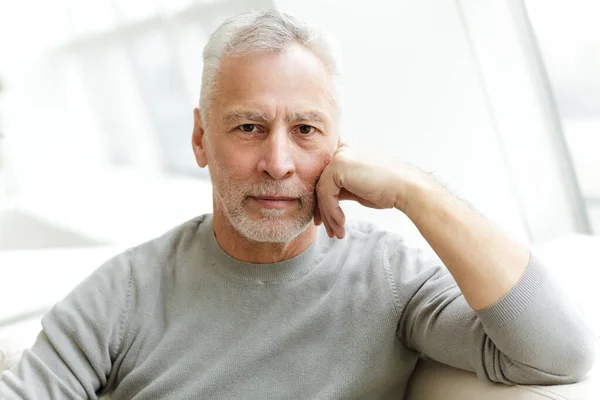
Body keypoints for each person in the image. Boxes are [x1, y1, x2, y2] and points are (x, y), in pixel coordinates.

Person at [0, 10, 596, 400]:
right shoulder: (122, 295)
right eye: (249, 127)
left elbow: (559, 354)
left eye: (307, 130)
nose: (279, 163)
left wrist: (417, 191)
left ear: (339, 144)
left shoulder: (391, 281)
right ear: (200, 139)